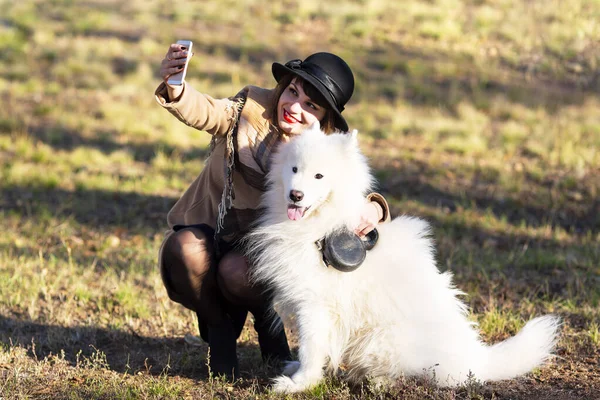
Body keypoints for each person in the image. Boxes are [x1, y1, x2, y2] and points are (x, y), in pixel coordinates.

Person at [155, 44, 391, 378]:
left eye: (311, 105)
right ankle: (219, 329)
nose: (294, 106)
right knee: (184, 250)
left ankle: (267, 321)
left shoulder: (321, 148)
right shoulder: (251, 109)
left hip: (257, 251)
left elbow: (350, 187)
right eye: (292, 92)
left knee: (236, 271)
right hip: (213, 228)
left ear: (324, 119)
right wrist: (176, 87)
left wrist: (375, 208)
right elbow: (207, 111)